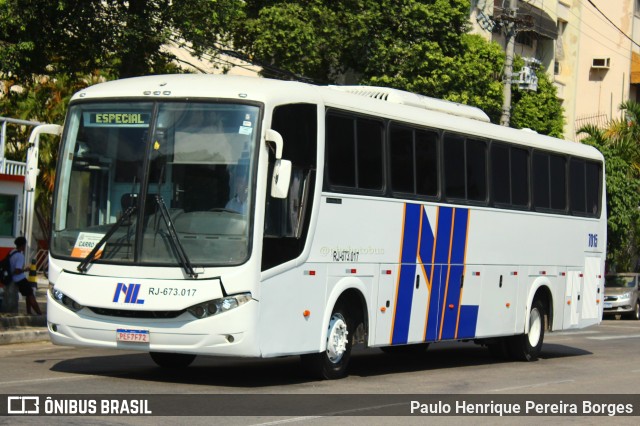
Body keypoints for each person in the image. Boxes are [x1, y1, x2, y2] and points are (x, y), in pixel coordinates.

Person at [10, 237, 42, 315]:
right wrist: (25, 269)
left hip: (14, 278)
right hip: (20, 279)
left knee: (29, 293)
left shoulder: (12, 253)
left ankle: (29, 312)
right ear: (23, 245)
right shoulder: (20, 256)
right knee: (31, 295)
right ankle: (39, 314)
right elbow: (17, 270)